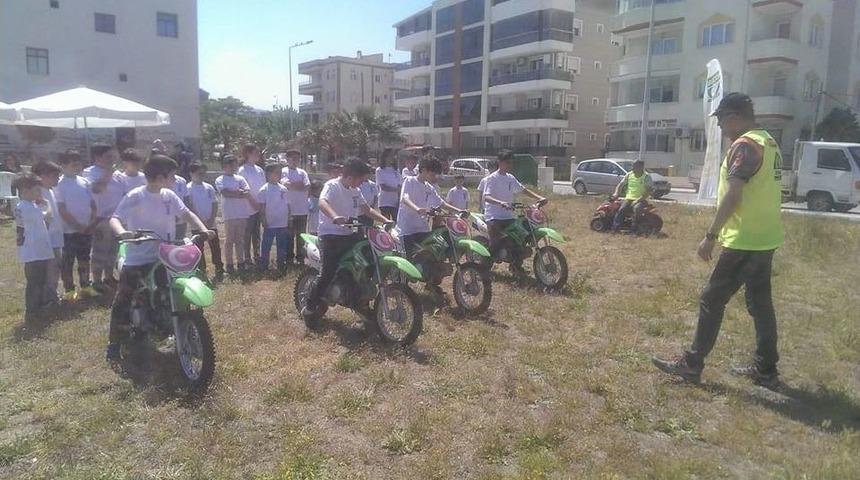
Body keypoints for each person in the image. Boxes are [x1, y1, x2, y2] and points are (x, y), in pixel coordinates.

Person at [652, 93, 784, 387]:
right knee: (761, 304)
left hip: (743, 240)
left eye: (723, 121)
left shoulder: (745, 146)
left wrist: (710, 236)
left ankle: (692, 364)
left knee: (711, 299)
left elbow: (734, 194)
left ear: (734, 117)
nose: (722, 128)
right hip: (766, 237)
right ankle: (766, 370)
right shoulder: (769, 143)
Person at [107, 155, 210, 362]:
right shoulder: (136, 196)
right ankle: (114, 343)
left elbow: (187, 213)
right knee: (123, 300)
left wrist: (203, 228)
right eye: (172, 175)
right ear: (160, 177)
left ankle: (175, 327)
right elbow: (115, 218)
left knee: (172, 292)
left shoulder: (169, 195)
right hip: (138, 257)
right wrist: (123, 233)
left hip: (166, 254)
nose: (175, 178)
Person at [301, 158, 390, 320]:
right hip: (330, 236)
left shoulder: (355, 190)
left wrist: (385, 220)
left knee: (365, 264)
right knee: (327, 273)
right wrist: (335, 217)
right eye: (361, 179)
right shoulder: (332, 186)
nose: (362, 183)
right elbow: (322, 202)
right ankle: (309, 307)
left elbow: (367, 209)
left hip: (351, 235)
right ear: (350, 176)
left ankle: (359, 301)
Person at [483, 150, 546, 275]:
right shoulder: (491, 179)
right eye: (507, 162)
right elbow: (486, 197)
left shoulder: (510, 178)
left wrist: (539, 198)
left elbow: (523, 190)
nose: (510, 165)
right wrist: (501, 203)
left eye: (511, 163)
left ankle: (516, 266)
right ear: (500, 163)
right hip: (494, 216)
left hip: (509, 216)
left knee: (520, 239)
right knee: (495, 243)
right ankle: (482, 269)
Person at [397, 157, 464, 254]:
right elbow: (405, 198)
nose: (435, 177)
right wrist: (417, 209)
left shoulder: (430, 187)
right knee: (411, 261)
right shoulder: (410, 181)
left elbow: (441, 203)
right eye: (433, 174)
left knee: (434, 254)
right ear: (424, 170)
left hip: (423, 229)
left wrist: (459, 210)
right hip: (407, 230)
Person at [55, 150, 97, 300]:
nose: (77, 167)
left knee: (84, 259)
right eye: (73, 164)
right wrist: (77, 226)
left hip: (86, 230)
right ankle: (69, 289)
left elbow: (92, 203)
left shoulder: (84, 181)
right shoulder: (59, 184)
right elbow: (62, 209)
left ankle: (85, 285)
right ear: (63, 165)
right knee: (68, 262)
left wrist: (92, 221)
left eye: (79, 163)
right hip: (69, 232)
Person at [14, 174, 55, 325]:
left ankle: (37, 308)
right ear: (25, 190)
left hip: (35, 250)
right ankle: (32, 311)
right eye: (37, 190)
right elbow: (48, 217)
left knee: (38, 281)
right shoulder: (26, 207)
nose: (40, 194)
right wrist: (47, 204)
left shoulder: (28, 205)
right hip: (34, 251)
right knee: (35, 283)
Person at [83, 144, 124, 291]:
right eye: (108, 157)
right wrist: (108, 172)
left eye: (113, 156)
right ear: (97, 157)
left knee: (113, 250)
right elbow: (97, 189)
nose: (112, 159)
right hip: (100, 218)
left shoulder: (118, 174)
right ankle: (96, 279)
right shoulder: (89, 173)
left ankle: (109, 276)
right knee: (100, 250)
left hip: (116, 218)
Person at [33, 160, 65, 305]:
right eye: (54, 176)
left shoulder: (51, 190)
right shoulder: (37, 193)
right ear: (42, 176)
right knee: (49, 271)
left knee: (55, 268)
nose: (57, 178)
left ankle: (51, 295)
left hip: (56, 238)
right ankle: (47, 298)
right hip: (47, 241)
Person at [215, 155, 252, 274]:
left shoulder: (240, 178)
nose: (233, 167)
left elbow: (247, 192)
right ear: (224, 166)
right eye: (230, 165)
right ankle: (229, 264)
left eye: (235, 165)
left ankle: (241, 263)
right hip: (229, 214)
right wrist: (239, 193)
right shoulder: (220, 179)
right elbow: (225, 193)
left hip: (242, 213)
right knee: (229, 240)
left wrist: (235, 193)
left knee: (239, 240)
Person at [187, 164, 224, 279]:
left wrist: (212, 218)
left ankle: (219, 268)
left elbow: (214, 203)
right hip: (197, 225)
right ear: (191, 174)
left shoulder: (208, 187)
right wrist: (199, 220)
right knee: (199, 249)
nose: (201, 176)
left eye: (203, 173)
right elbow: (189, 206)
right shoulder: (188, 188)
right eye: (199, 173)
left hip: (210, 223)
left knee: (215, 247)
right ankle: (202, 271)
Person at [258, 163, 292, 272]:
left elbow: (287, 205)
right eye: (276, 173)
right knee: (266, 244)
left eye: (279, 173)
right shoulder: (264, 190)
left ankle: (281, 264)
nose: (278, 175)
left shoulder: (283, 189)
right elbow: (262, 207)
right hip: (270, 222)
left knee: (282, 245)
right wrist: (264, 220)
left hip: (282, 222)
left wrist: (289, 218)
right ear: (268, 174)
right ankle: (264, 264)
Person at [280, 148, 310, 265]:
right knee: (289, 236)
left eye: (298, 159)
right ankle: (289, 259)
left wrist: (294, 185)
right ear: (287, 159)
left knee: (301, 236)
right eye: (293, 158)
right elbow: (286, 185)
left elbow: (307, 186)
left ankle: (300, 258)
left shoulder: (303, 172)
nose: (296, 161)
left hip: (302, 209)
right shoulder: (283, 171)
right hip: (289, 210)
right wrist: (299, 185)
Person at [238, 144, 265, 267]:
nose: (258, 155)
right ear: (248, 154)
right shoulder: (242, 170)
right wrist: (253, 203)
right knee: (247, 233)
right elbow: (244, 190)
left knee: (257, 233)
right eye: (255, 153)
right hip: (248, 207)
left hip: (259, 206)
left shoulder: (259, 170)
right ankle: (247, 258)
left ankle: (257, 255)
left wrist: (261, 204)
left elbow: (263, 188)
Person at [611, 159, 653, 233]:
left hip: (641, 200)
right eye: (633, 166)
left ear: (641, 167)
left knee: (636, 209)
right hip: (629, 198)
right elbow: (620, 185)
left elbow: (648, 191)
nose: (633, 168)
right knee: (621, 209)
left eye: (635, 166)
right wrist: (616, 193)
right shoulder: (629, 174)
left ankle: (634, 229)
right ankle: (615, 228)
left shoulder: (646, 177)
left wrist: (638, 200)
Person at [376, 148, 401, 220]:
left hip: (395, 201)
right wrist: (397, 190)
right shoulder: (380, 170)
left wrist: (399, 199)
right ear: (385, 157)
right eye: (390, 156)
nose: (392, 157)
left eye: (393, 156)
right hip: (384, 202)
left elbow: (400, 185)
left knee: (396, 222)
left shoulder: (396, 170)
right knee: (387, 223)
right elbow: (383, 187)